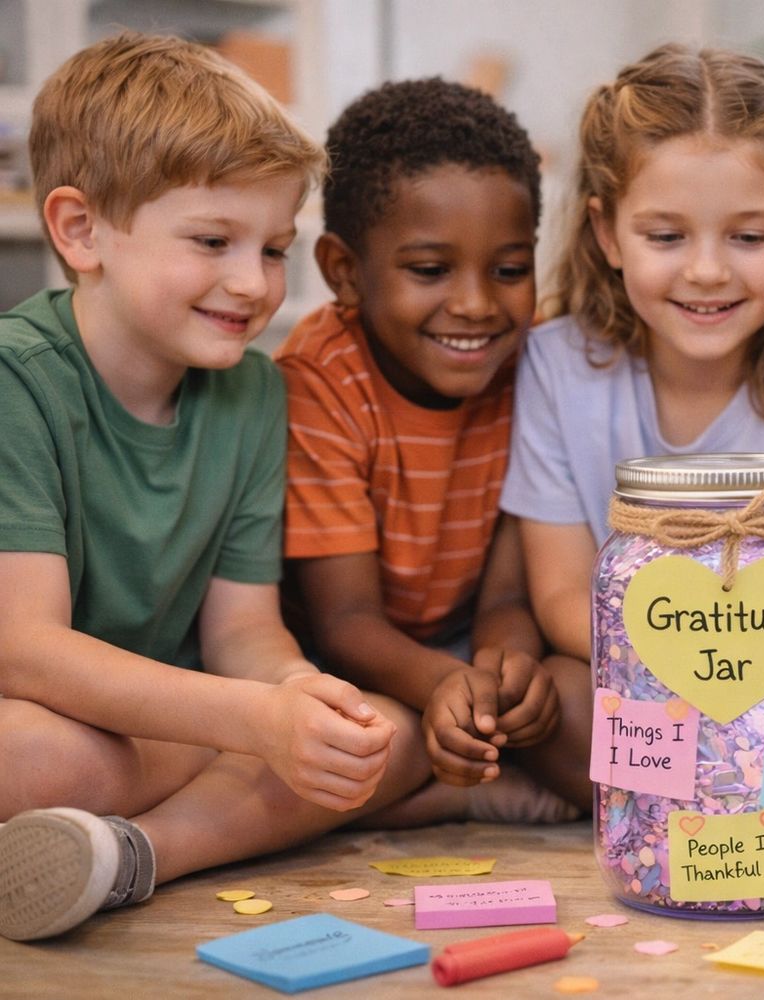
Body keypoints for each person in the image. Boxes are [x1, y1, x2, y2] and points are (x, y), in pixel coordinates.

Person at [0, 33, 429, 943]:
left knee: (386, 732)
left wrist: (301, 697)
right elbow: (25, 652)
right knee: (27, 756)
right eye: (212, 242)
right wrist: (252, 722)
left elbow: (243, 631)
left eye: (273, 249)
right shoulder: (16, 381)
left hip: (172, 731)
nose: (252, 284)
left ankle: (130, 855)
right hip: (53, 721)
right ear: (80, 231)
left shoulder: (254, 393)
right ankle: (201, 811)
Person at [502, 44, 764, 808]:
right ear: (607, 233)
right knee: (560, 699)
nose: (709, 271)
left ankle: (698, 800)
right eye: (666, 237)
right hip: (637, 679)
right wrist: (682, 669)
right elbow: (560, 595)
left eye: (749, 238)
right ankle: (716, 802)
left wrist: (743, 690)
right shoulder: (556, 364)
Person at [275, 79, 571, 825]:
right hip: (343, 660)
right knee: (371, 740)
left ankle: (457, 779)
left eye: (509, 270)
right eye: (431, 271)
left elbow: (507, 594)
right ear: (344, 271)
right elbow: (345, 622)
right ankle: (445, 796)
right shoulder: (321, 379)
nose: (476, 304)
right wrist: (446, 683)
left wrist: (505, 668)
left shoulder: (533, 364)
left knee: (556, 700)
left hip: (461, 641)